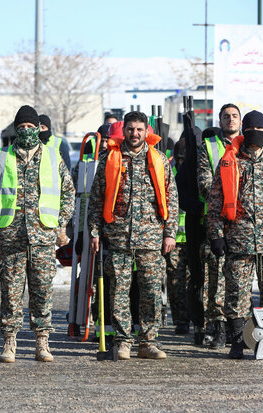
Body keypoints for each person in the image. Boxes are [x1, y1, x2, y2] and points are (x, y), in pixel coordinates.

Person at [0, 105, 75, 363]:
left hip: (43, 237)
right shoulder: (1, 158)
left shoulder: (53, 157)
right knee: (10, 293)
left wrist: (59, 222)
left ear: (37, 128)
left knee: (42, 292)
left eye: (30, 127)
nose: (25, 131)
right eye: (20, 127)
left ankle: (42, 344)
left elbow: (68, 192)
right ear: (15, 129)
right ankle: (9, 342)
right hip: (12, 238)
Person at [208, 110, 263, 359]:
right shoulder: (231, 161)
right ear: (244, 132)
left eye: (260, 131)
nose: (255, 136)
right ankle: (238, 341)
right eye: (251, 131)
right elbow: (215, 203)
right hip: (239, 241)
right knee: (236, 293)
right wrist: (216, 235)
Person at [88, 111, 178, 360]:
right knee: (119, 292)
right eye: (130, 129)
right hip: (117, 236)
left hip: (151, 237)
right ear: (124, 130)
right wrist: (95, 232)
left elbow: (171, 198)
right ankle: (124, 340)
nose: (135, 134)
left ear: (146, 131)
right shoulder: (110, 159)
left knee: (150, 291)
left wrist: (170, 234)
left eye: (140, 129)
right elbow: (96, 199)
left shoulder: (159, 160)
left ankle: (148, 342)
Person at [197, 104, 241, 349]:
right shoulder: (210, 147)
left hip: (243, 225)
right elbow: (204, 182)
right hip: (217, 222)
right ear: (220, 121)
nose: (230, 120)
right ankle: (218, 328)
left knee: (239, 280)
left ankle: (239, 328)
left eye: (234, 116)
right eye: (226, 116)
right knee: (215, 278)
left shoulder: (248, 146)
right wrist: (228, 196)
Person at [165, 138, 190, 334]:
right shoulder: (168, 169)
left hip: (195, 235)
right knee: (176, 283)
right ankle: (181, 320)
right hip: (175, 238)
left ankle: (200, 321)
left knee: (198, 282)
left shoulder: (197, 167)